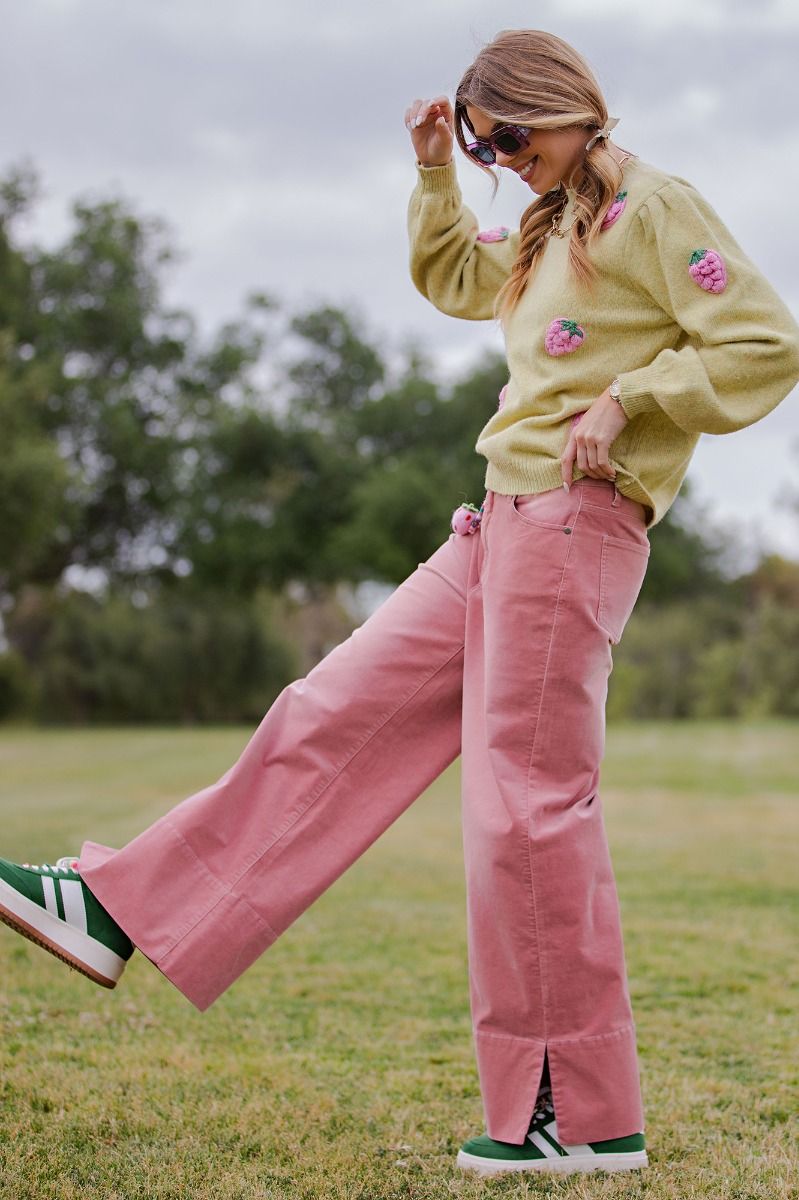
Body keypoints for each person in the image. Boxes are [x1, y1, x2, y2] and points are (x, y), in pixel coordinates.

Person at [1, 27, 798, 1180]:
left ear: (568, 105)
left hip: (574, 523)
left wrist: (632, 398)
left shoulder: (654, 209)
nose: (503, 158)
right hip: (499, 523)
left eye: (510, 135)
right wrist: (433, 170)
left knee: (523, 809)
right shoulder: (549, 225)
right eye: (487, 146)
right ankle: (119, 906)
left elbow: (766, 341)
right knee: (331, 710)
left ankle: (575, 1116)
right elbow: (455, 279)